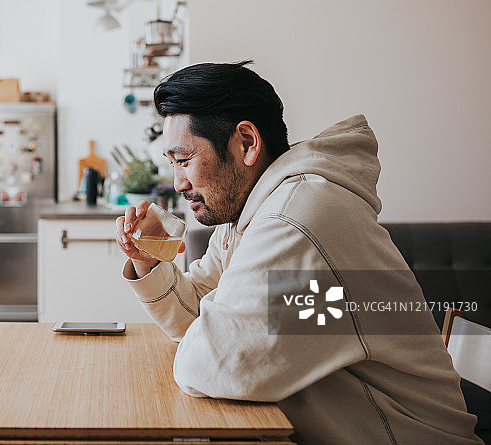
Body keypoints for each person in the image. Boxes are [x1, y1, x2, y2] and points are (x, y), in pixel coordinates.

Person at [114, 61, 481, 444]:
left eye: (185, 160)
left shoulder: (295, 218)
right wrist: (149, 261)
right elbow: (198, 317)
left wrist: (223, 320)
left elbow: (215, 363)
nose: (178, 183)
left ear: (246, 143)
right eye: (172, 164)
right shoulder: (250, 215)